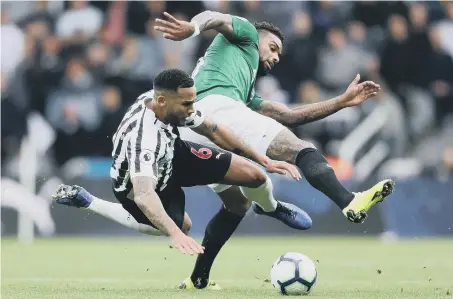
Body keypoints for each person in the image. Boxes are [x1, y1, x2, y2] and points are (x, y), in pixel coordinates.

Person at [154, 11, 396, 289]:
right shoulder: (246, 33)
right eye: (273, 48)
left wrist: (341, 102)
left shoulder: (244, 90)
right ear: (258, 39)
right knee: (300, 147)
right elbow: (213, 16)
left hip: (191, 130)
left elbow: (290, 115)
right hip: (214, 110)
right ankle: (348, 201)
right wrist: (193, 28)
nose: (276, 57)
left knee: (237, 204)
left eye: (279, 53)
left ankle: (199, 278)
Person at [53, 68, 312, 257]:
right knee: (180, 225)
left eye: (193, 101)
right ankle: (88, 200)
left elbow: (213, 130)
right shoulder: (143, 137)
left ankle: (270, 206)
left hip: (174, 154)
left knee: (254, 175)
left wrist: (263, 158)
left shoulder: (171, 105)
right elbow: (144, 194)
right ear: (163, 101)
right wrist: (176, 235)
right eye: (187, 103)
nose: (192, 108)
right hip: (138, 185)